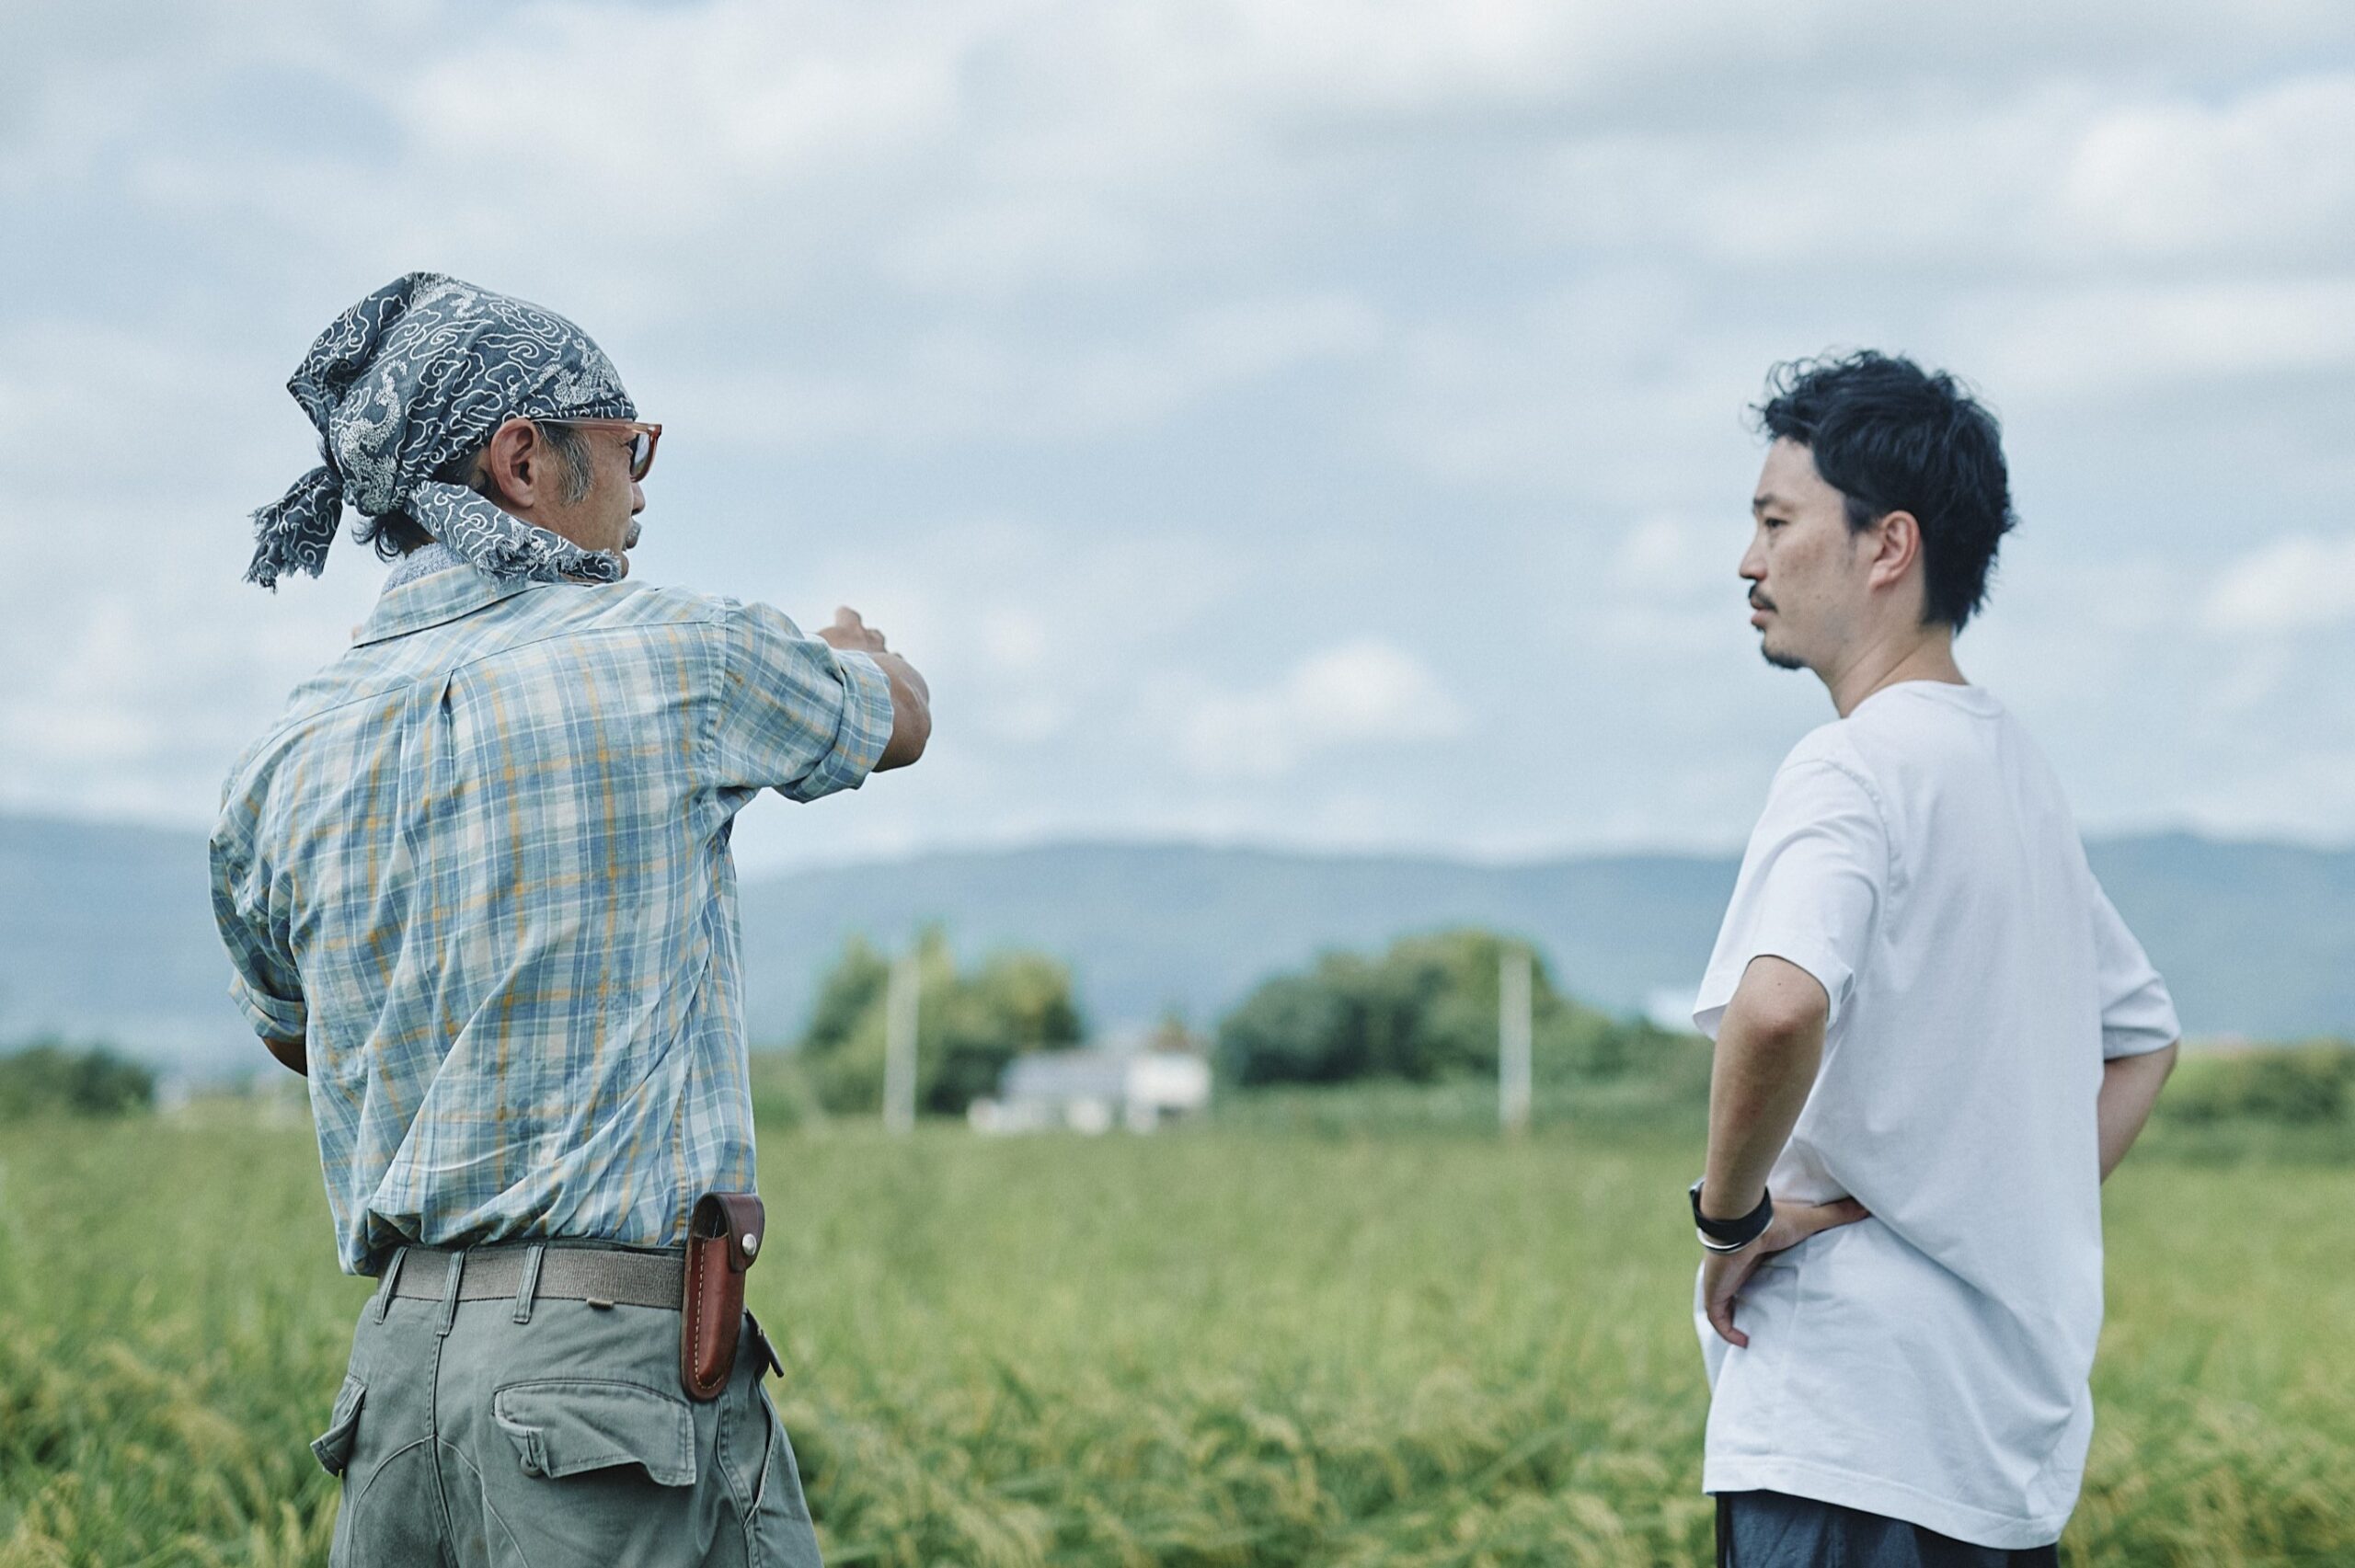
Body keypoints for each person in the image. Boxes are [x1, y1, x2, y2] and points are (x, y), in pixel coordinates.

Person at [210, 272, 930, 1567]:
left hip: (397, 1381)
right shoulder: (677, 652)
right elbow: (900, 721)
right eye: (625, 440)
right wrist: (853, 650)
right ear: (524, 458)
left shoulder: (282, 754)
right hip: (605, 1383)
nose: (643, 480)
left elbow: (299, 1036)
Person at [1685, 351, 2179, 1565]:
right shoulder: (2012, 768)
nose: (1748, 561)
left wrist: (1731, 1214)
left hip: (1845, 1435)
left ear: (1886, 546)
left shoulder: (1853, 765)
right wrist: (1967, 1197)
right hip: (2000, 1455)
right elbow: (2143, 1041)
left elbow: (1781, 1003)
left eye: (1774, 521)